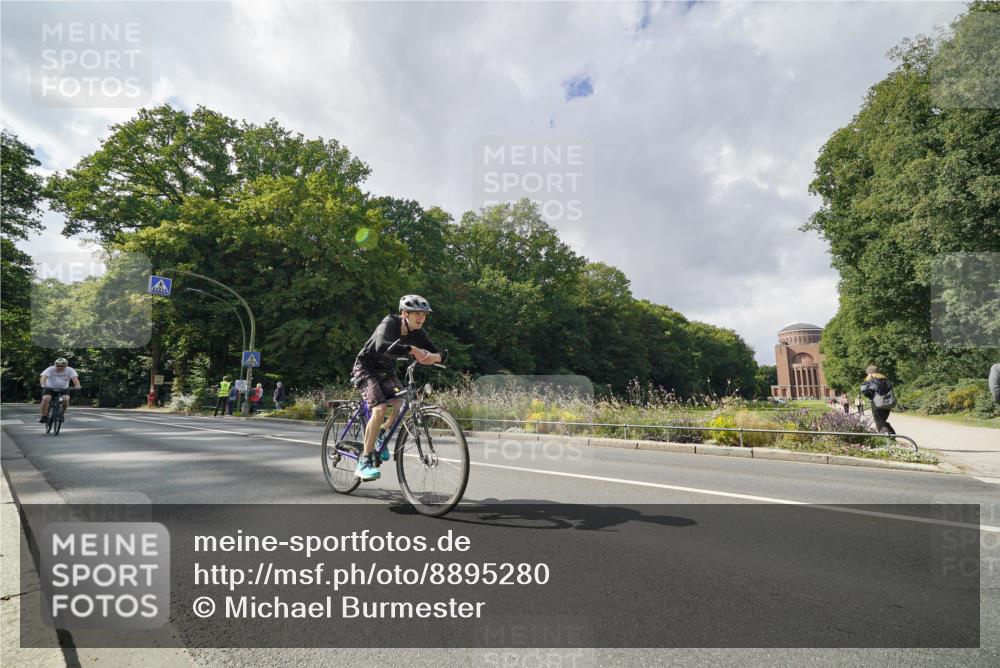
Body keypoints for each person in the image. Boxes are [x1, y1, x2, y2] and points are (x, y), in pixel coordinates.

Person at [351, 295, 442, 482]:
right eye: (417, 314)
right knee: (380, 408)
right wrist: (411, 350)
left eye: (424, 315)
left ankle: (382, 433)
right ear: (404, 313)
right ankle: (364, 461)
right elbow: (380, 345)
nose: (421, 318)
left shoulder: (418, 332)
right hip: (366, 369)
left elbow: (437, 351)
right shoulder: (390, 322)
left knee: (402, 401)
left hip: (386, 371)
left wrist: (436, 357)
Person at [39, 357, 81, 423]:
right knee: (46, 399)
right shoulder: (50, 369)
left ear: (66, 366)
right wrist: (43, 384)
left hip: (63, 389)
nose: (60, 367)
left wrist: (77, 385)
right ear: (55, 365)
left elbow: (75, 379)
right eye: (58, 366)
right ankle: (44, 416)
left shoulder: (70, 370)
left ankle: (61, 414)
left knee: (66, 399)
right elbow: (44, 377)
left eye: (62, 366)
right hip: (49, 388)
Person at [860, 365, 896, 435]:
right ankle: (892, 435)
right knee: (882, 421)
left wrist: (871, 396)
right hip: (888, 404)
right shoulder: (886, 380)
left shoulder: (873, 381)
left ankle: (885, 436)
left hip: (877, 404)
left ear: (870, 373)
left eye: (868, 373)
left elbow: (864, 390)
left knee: (878, 421)